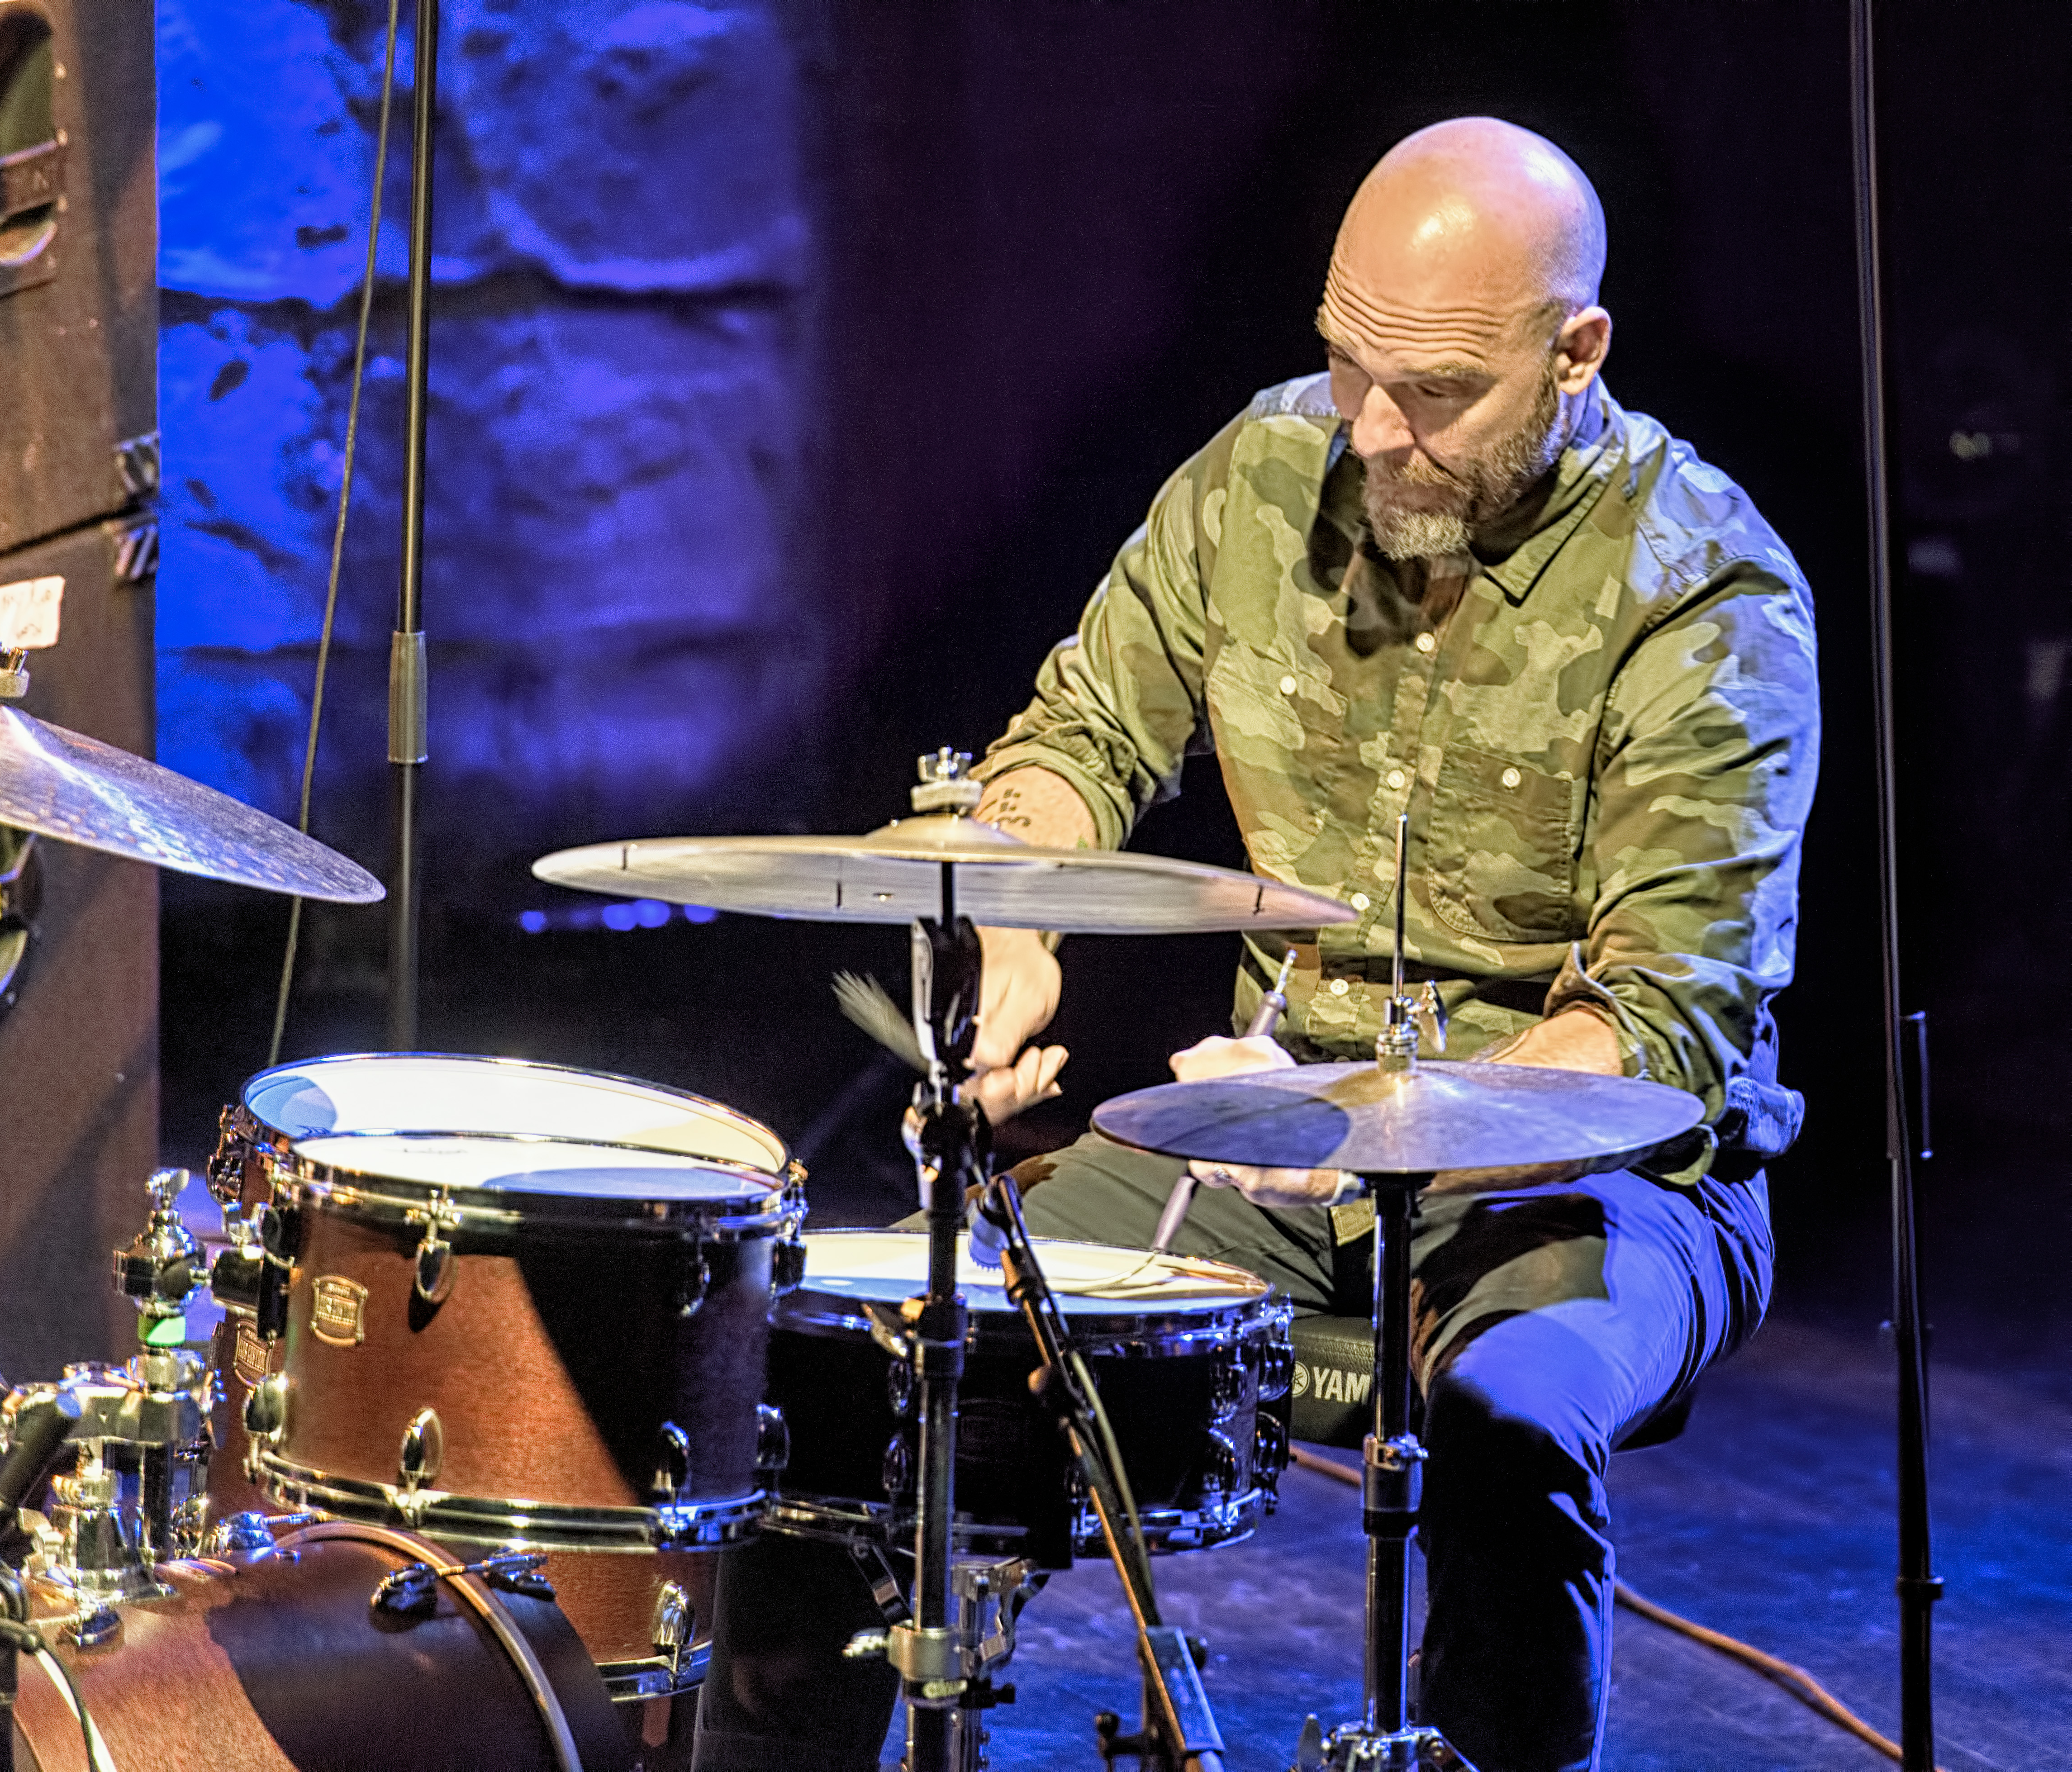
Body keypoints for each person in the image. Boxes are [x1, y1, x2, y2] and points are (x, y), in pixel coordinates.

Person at [695, 115, 1819, 1772]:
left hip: (1612, 1183)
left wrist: (1365, 1122)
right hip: (1274, 1153)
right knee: (874, 1373)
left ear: (1575, 355)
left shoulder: (1706, 601)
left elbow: (1657, 1030)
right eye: (1348, 365)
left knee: (1509, 1429)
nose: (1374, 430)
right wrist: (1012, 910)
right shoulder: (1264, 475)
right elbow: (1077, 737)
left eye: (1435, 394)